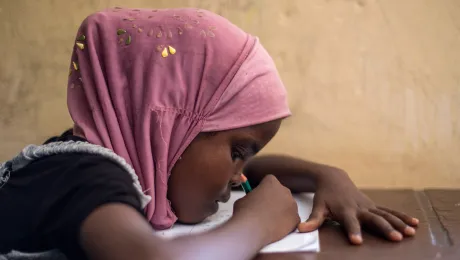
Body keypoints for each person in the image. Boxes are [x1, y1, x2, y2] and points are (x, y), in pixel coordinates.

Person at [0, 7, 419, 260]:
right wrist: (258, 223)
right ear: (169, 125)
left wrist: (327, 176)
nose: (242, 175)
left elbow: (236, 167)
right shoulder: (84, 176)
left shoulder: (116, 160)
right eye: (239, 150)